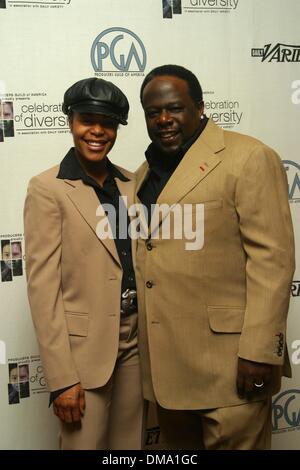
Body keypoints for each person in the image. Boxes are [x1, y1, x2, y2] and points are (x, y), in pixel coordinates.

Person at [135, 64, 295, 450]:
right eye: (153, 112)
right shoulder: (145, 172)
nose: (163, 120)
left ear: (200, 107)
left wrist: (259, 352)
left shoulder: (248, 156)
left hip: (232, 366)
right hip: (169, 371)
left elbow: (272, 261)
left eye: (174, 108)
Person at [24, 77, 144, 450]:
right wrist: (61, 378)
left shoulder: (131, 183)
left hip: (136, 345)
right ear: (70, 121)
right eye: (86, 120)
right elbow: (43, 290)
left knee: (130, 448)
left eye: (107, 123)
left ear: (116, 129)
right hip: (83, 355)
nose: (96, 131)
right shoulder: (47, 189)